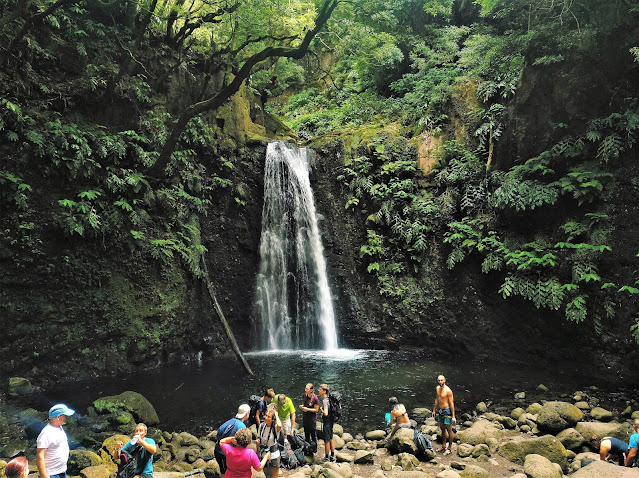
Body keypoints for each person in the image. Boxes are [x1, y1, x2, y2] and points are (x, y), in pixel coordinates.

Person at [37, 403, 75, 478]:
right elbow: (40, 455)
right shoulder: (46, 433)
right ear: (58, 417)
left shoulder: (59, 427)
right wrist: (44, 475)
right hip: (51, 474)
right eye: (65, 416)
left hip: (61, 471)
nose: (67, 417)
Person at [215, 404, 250, 474]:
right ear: (246, 414)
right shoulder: (242, 426)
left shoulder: (230, 421)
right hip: (227, 454)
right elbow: (242, 443)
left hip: (217, 450)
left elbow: (219, 433)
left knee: (223, 471)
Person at [432, 375, 455, 455]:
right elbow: (437, 399)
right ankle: (444, 445)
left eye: (441, 380)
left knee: (449, 429)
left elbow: (452, 404)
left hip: (447, 410)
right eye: (439, 380)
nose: (440, 382)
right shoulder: (437, 388)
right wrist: (434, 410)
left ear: (444, 380)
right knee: (442, 429)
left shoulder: (448, 391)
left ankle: (449, 448)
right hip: (441, 411)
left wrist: (453, 416)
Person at [257, 406, 283, 478]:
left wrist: (276, 415)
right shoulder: (262, 426)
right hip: (264, 455)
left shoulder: (275, 428)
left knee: (274, 476)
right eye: (265, 415)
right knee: (267, 476)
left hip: (273, 455)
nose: (265, 417)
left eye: (268, 417)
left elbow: (280, 425)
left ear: (272, 419)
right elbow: (258, 437)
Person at [318, 384, 335, 463]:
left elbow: (326, 413)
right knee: (331, 437)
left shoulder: (325, 400)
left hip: (327, 422)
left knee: (327, 440)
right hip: (331, 421)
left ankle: (327, 457)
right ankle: (332, 455)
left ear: (324, 391)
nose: (318, 390)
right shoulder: (329, 399)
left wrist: (321, 409)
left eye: (320, 389)